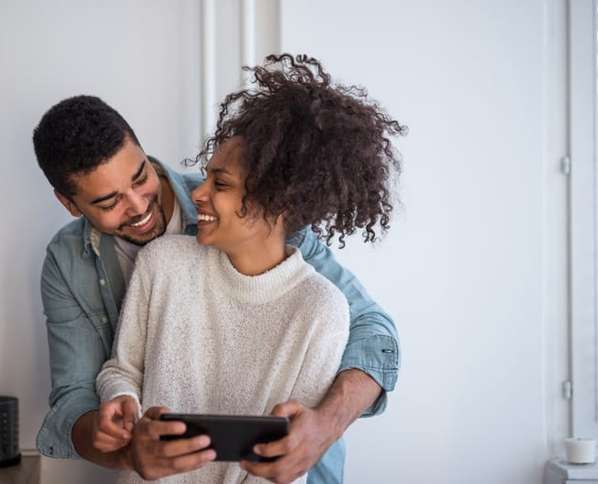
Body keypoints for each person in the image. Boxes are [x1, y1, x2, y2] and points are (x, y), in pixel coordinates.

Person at [32, 54, 403, 483]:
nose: (137, 207)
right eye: (108, 201)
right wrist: (126, 448)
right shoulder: (82, 262)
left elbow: (372, 330)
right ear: (69, 204)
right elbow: (79, 396)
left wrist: (325, 425)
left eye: (139, 178)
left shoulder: (256, 209)